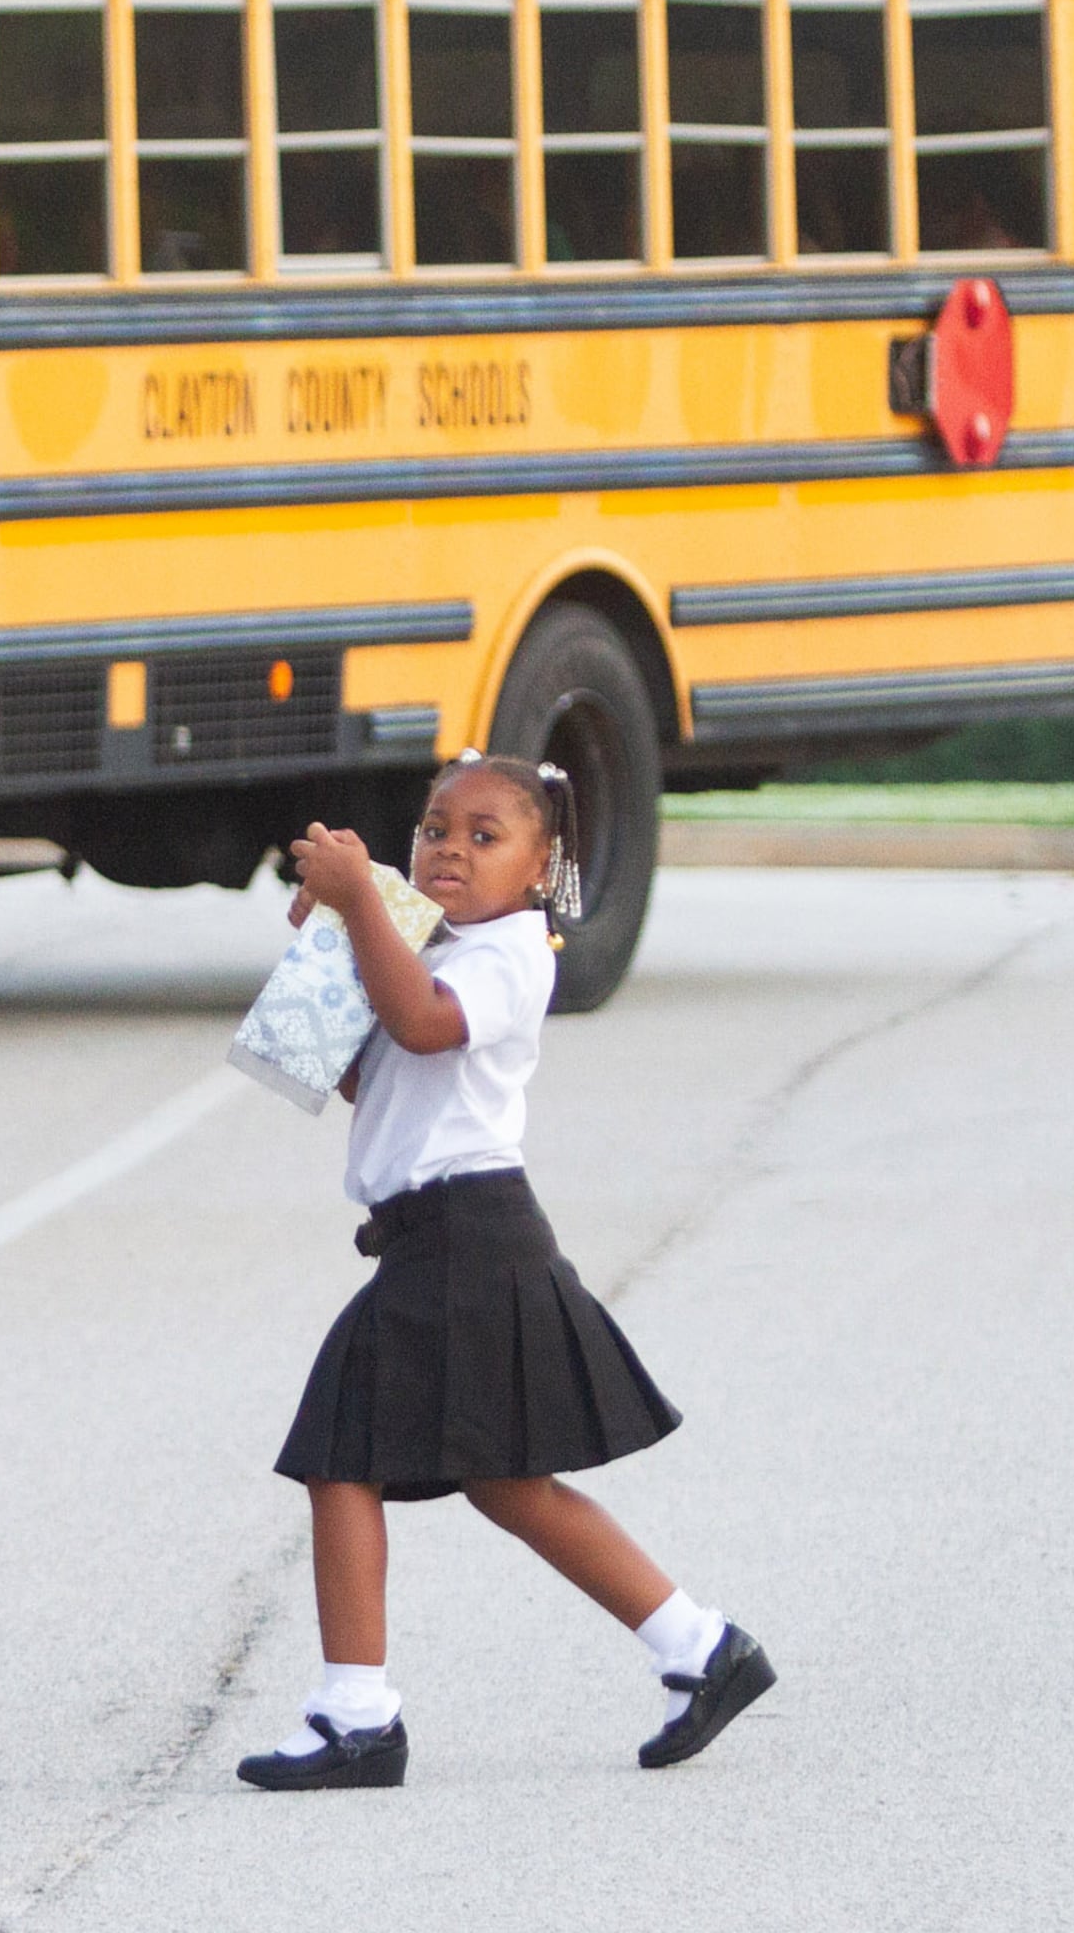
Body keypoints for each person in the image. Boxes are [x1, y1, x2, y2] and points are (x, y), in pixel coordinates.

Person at [241, 755, 773, 1790]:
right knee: (507, 1482)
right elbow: (366, 1073)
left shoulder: (511, 954)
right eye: (436, 827)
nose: (450, 848)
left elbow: (426, 1023)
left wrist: (362, 914)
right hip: (446, 1237)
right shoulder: (436, 944)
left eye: (487, 836)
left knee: (339, 1453)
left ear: (541, 870)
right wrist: (329, 940)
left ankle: (358, 1716)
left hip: (464, 1238)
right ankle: (702, 1649)